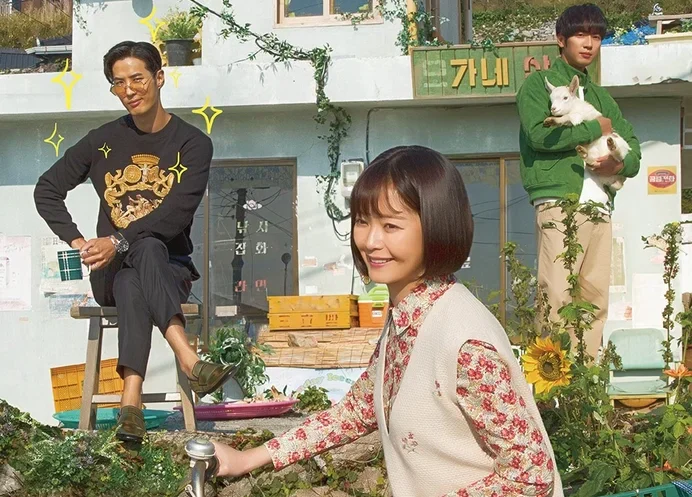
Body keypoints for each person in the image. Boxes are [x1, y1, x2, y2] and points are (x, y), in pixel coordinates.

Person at [207, 146, 563, 496]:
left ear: (437, 227)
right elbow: (355, 411)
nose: (371, 241)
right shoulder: (408, 317)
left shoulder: (464, 344)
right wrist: (247, 459)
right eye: (363, 221)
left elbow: (530, 474)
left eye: (391, 225)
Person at [34, 41, 236, 443]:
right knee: (133, 260)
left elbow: (174, 215)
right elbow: (47, 189)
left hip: (169, 271)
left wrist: (117, 240)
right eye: (118, 83)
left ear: (159, 78)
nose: (129, 90)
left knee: (144, 254)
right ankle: (188, 357)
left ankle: (131, 401)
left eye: (137, 79)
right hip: (107, 272)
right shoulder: (102, 140)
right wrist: (78, 241)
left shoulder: (193, 143)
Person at [516, 4, 641, 360]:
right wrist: (594, 128)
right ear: (561, 39)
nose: (589, 43)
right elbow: (539, 136)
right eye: (581, 35)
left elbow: (633, 149)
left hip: (599, 206)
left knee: (594, 302)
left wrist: (619, 164)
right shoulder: (538, 85)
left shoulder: (601, 97)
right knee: (556, 297)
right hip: (559, 202)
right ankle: (553, 384)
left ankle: (587, 381)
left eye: (597, 36)